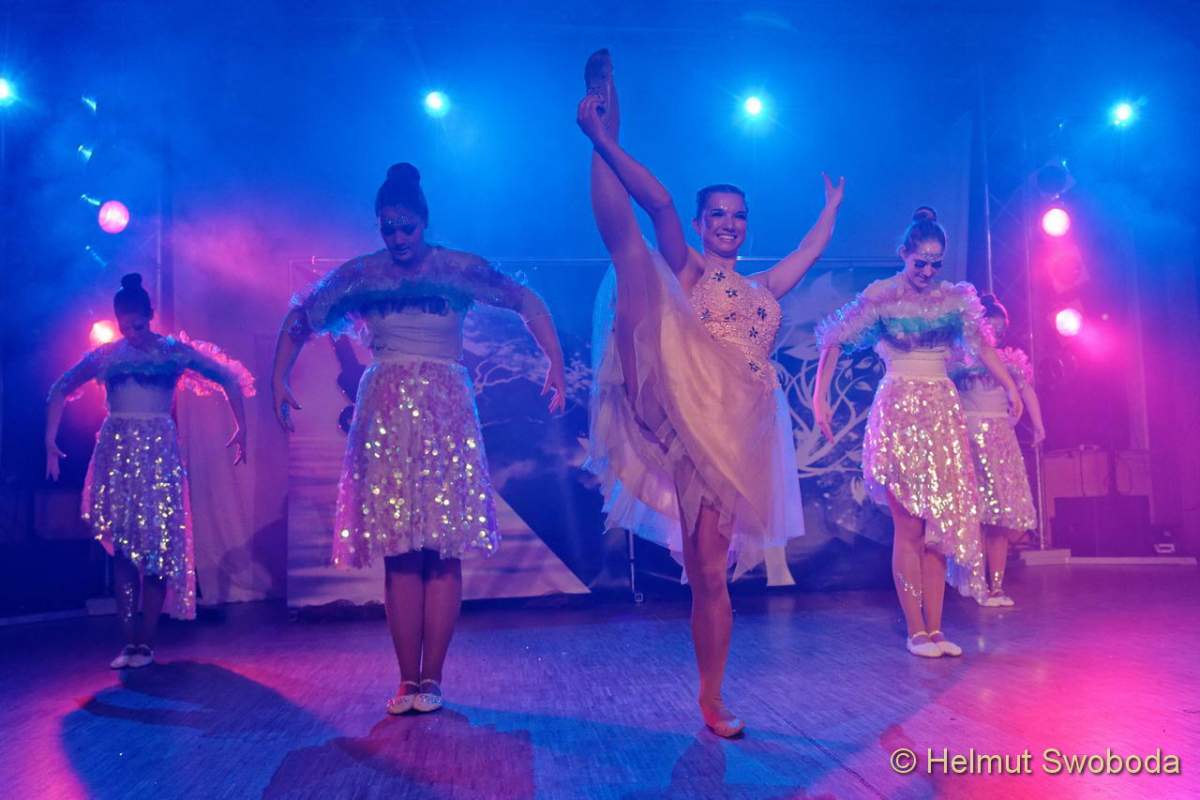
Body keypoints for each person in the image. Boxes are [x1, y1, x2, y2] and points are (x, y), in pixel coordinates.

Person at [578, 50, 842, 735]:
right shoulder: (691, 269)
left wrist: (831, 210)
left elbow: (809, 254)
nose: (729, 223)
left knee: (712, 573)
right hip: (695, 414)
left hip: (747, 429)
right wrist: (606, 140)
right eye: (719, 214)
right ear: (703, 223)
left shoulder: (762, 287)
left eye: (739, 216)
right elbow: (659, 205)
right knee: (628, 250)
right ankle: (602, 127)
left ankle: (712, 695)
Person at [271, 163, 566, 714]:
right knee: (401, 552)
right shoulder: (363, 274)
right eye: (388, 228)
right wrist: (277, 377)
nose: (398, 238)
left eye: (406, 227)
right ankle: (407, 680)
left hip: (444, 412)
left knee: (442, 549)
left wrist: (555, 361)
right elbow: (302, 317)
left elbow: (525, 301)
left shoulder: (457, 268)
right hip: (386, 413)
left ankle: (433, 679)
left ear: (424, 222)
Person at [814, 208, 1022, 658]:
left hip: (942, 413)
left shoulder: (953, 299)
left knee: (939, 526)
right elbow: (834, 339)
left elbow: (983, 346)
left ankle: (937, 629)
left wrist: (1009, 385)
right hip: (900, 412)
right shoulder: (883, 296)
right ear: (903, 254)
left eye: (935, 263)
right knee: (908, 526)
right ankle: (916, 630)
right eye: (920, 262)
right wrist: (819, 396)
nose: (928, 271)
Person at [46, 273, 251, 668]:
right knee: (124, 551)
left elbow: (228, 377)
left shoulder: (171, 352)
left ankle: (147, 642)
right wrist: (49, 440)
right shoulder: (109, 356)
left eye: (138, 326)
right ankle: (129, 643)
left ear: (150, 316)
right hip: (118, 453)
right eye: (125, 327)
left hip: (157, 452)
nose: (132, 334)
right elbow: (60, 387)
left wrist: (241, 426)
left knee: (156, 549)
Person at [950, 293, 1045, 607]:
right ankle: (973, 581)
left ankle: (997, 586)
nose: (996, 333)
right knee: (972, 514)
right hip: (966, 437)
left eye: (1000, 328)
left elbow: (1026, 391)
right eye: (990, 326)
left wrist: (1038, 425)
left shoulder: (1009, 361)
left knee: (999, 515)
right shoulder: (958, 360)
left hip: (1000, 439)